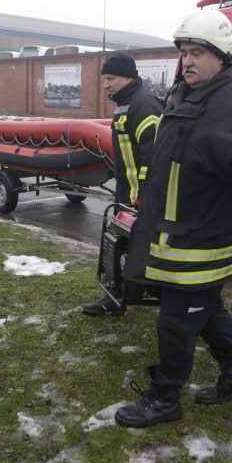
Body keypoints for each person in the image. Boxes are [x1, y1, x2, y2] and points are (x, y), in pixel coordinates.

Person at [114, 10, 232, 428]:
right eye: (183, 52)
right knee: (207, 308)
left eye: (197, 52)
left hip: (200, 241)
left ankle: (166, 397)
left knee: (176, 319)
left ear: (223, 56)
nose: (187, 60)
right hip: (177, 230)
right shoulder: (189, 92)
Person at [82, 51, 163, 316]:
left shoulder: (144, 105)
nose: (105, 84)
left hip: (140, 199)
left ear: (128, 77)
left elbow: (154, 159)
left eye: (111, 78)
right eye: (104, 79)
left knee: (132, 249)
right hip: (128, 195)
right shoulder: (125, 103)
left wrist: (140, 199)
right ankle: (119, 298)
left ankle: (125, 298)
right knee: (119, 247)